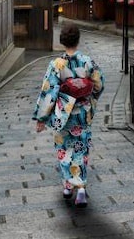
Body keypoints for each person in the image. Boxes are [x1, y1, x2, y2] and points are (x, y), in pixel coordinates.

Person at [32, 23, 104, 207]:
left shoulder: (56, 64)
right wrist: (88, 99)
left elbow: (48, 92)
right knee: (80, 149)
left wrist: (41, 118)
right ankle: (80, 188)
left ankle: (67, 186)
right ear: (78, 40)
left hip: (62, 114)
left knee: (63, 149)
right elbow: (99, 85)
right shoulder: (87, 62)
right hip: (82, 113)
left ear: (62, 42)